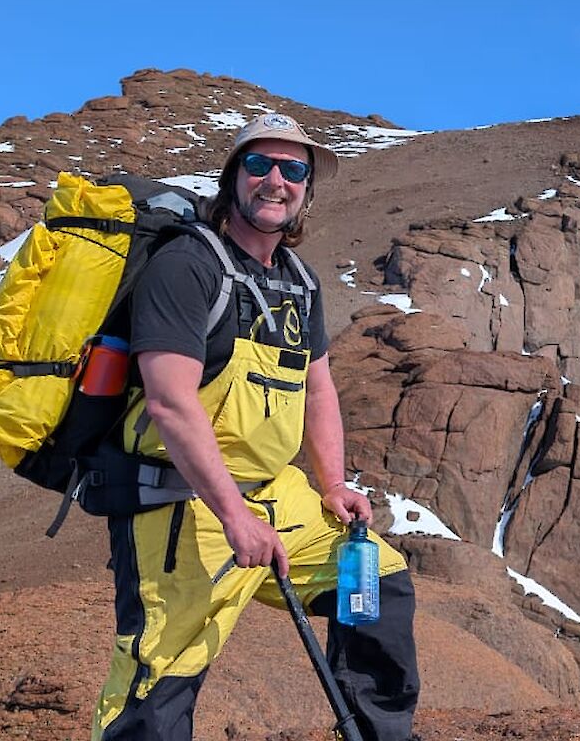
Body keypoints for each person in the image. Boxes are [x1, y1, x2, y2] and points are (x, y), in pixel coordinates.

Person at [90, 113, 420, 740]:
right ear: (232, 176)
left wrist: (331, 484)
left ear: (306, 189)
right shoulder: (188, 267)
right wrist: (236, 518)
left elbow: (316, 387)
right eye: (259, 164)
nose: (276, 180)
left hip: (275, 492)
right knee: (160, 679)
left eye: (293, 169)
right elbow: (170, 403)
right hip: (183, 502)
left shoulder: (299, 282)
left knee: (377, 582)